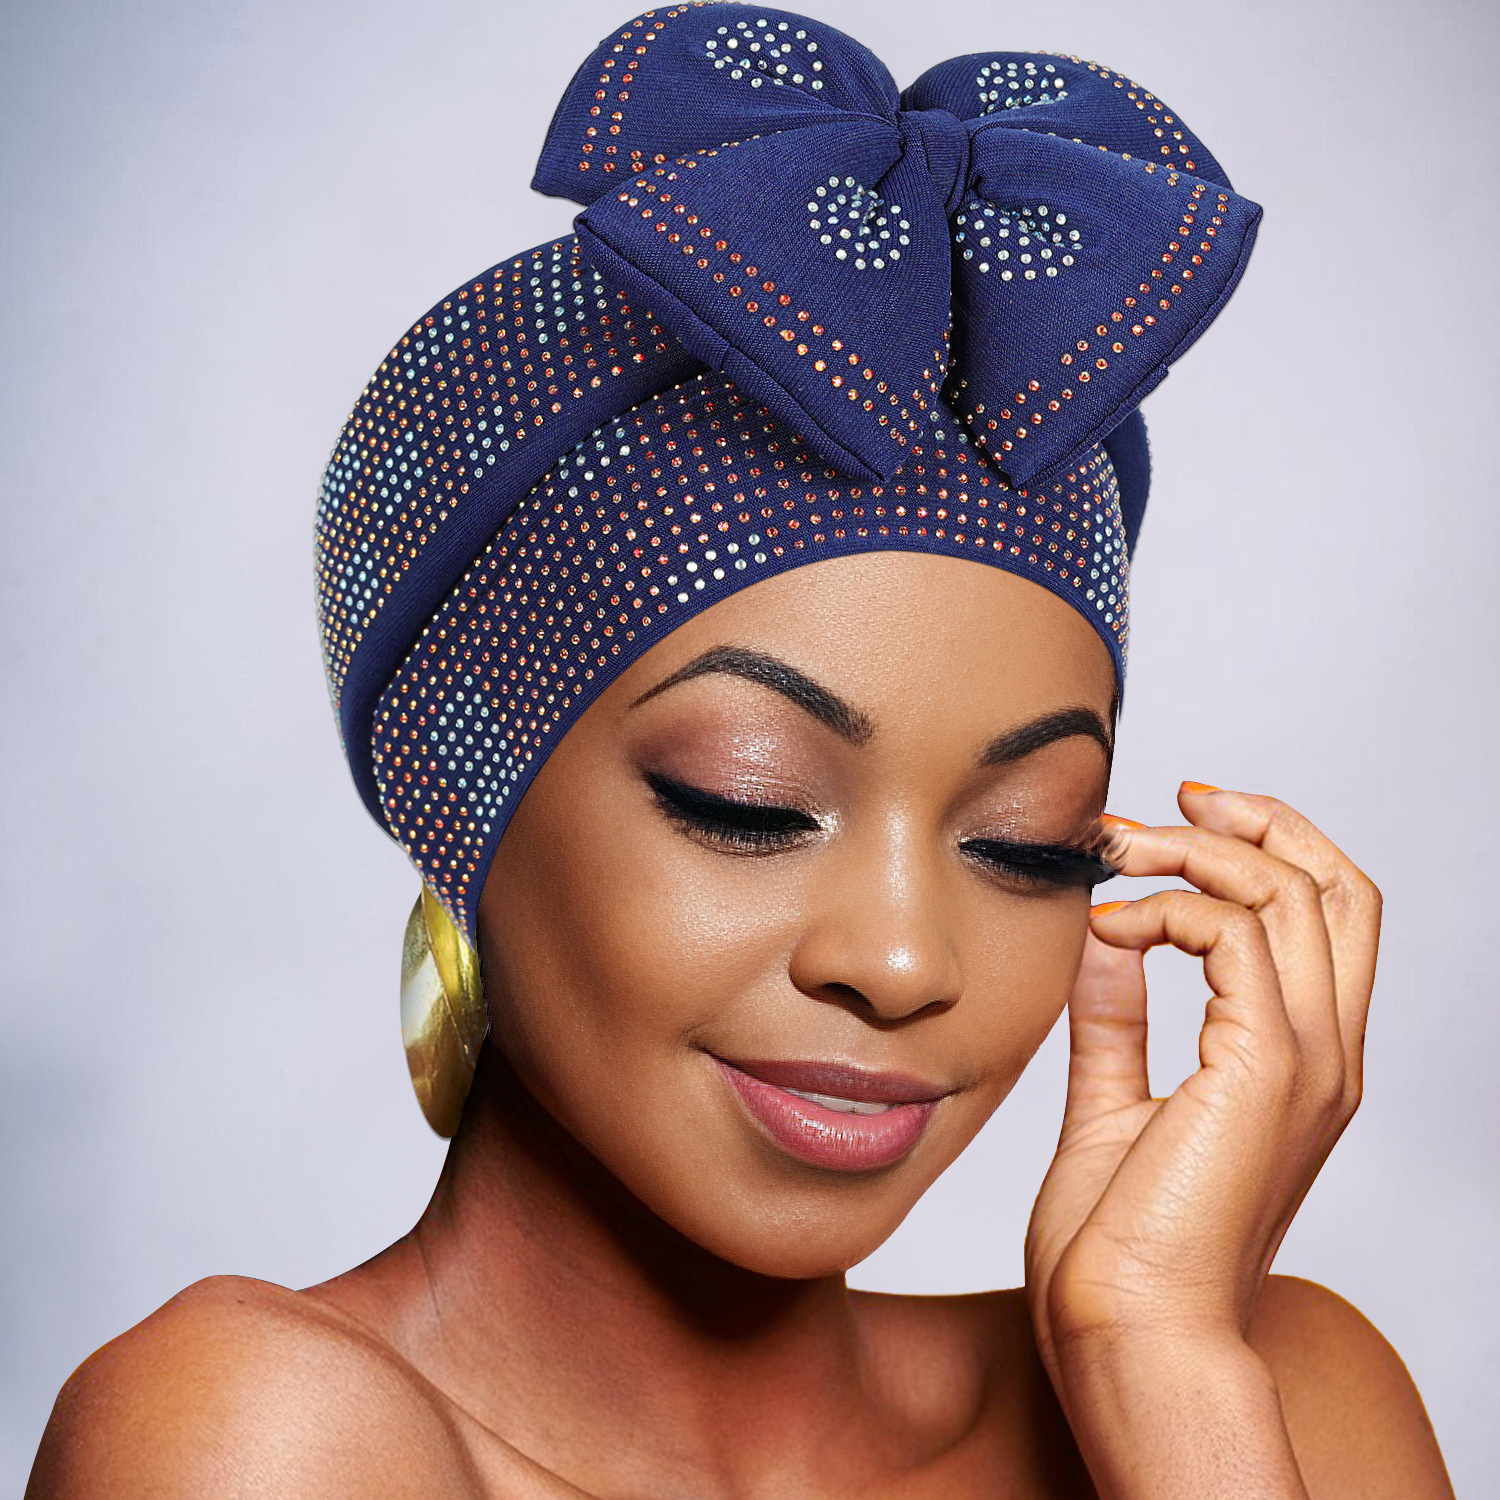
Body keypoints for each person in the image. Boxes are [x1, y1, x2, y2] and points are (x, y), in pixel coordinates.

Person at [27, 8, 1455, 1497]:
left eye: (1029, 842)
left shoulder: (1268, 1393)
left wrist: (1160, 1367)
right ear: (458, 794)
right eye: (750, 804)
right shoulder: (258, 1432)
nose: (899, 962)